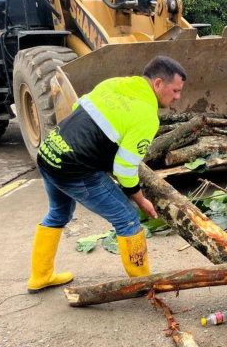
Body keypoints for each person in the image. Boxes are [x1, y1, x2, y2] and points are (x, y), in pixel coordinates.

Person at [27, 56, 186, 293]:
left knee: (59, 212)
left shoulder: (114, 84)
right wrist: (141, 200)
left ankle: (40, 276)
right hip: (74, 169)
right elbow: (124, 169)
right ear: (158, 84)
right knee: (128, 218)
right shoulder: (146, 115)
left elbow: (76, 108)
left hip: (49, 153)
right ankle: (143, 286)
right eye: (175, 91)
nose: (177, 98)